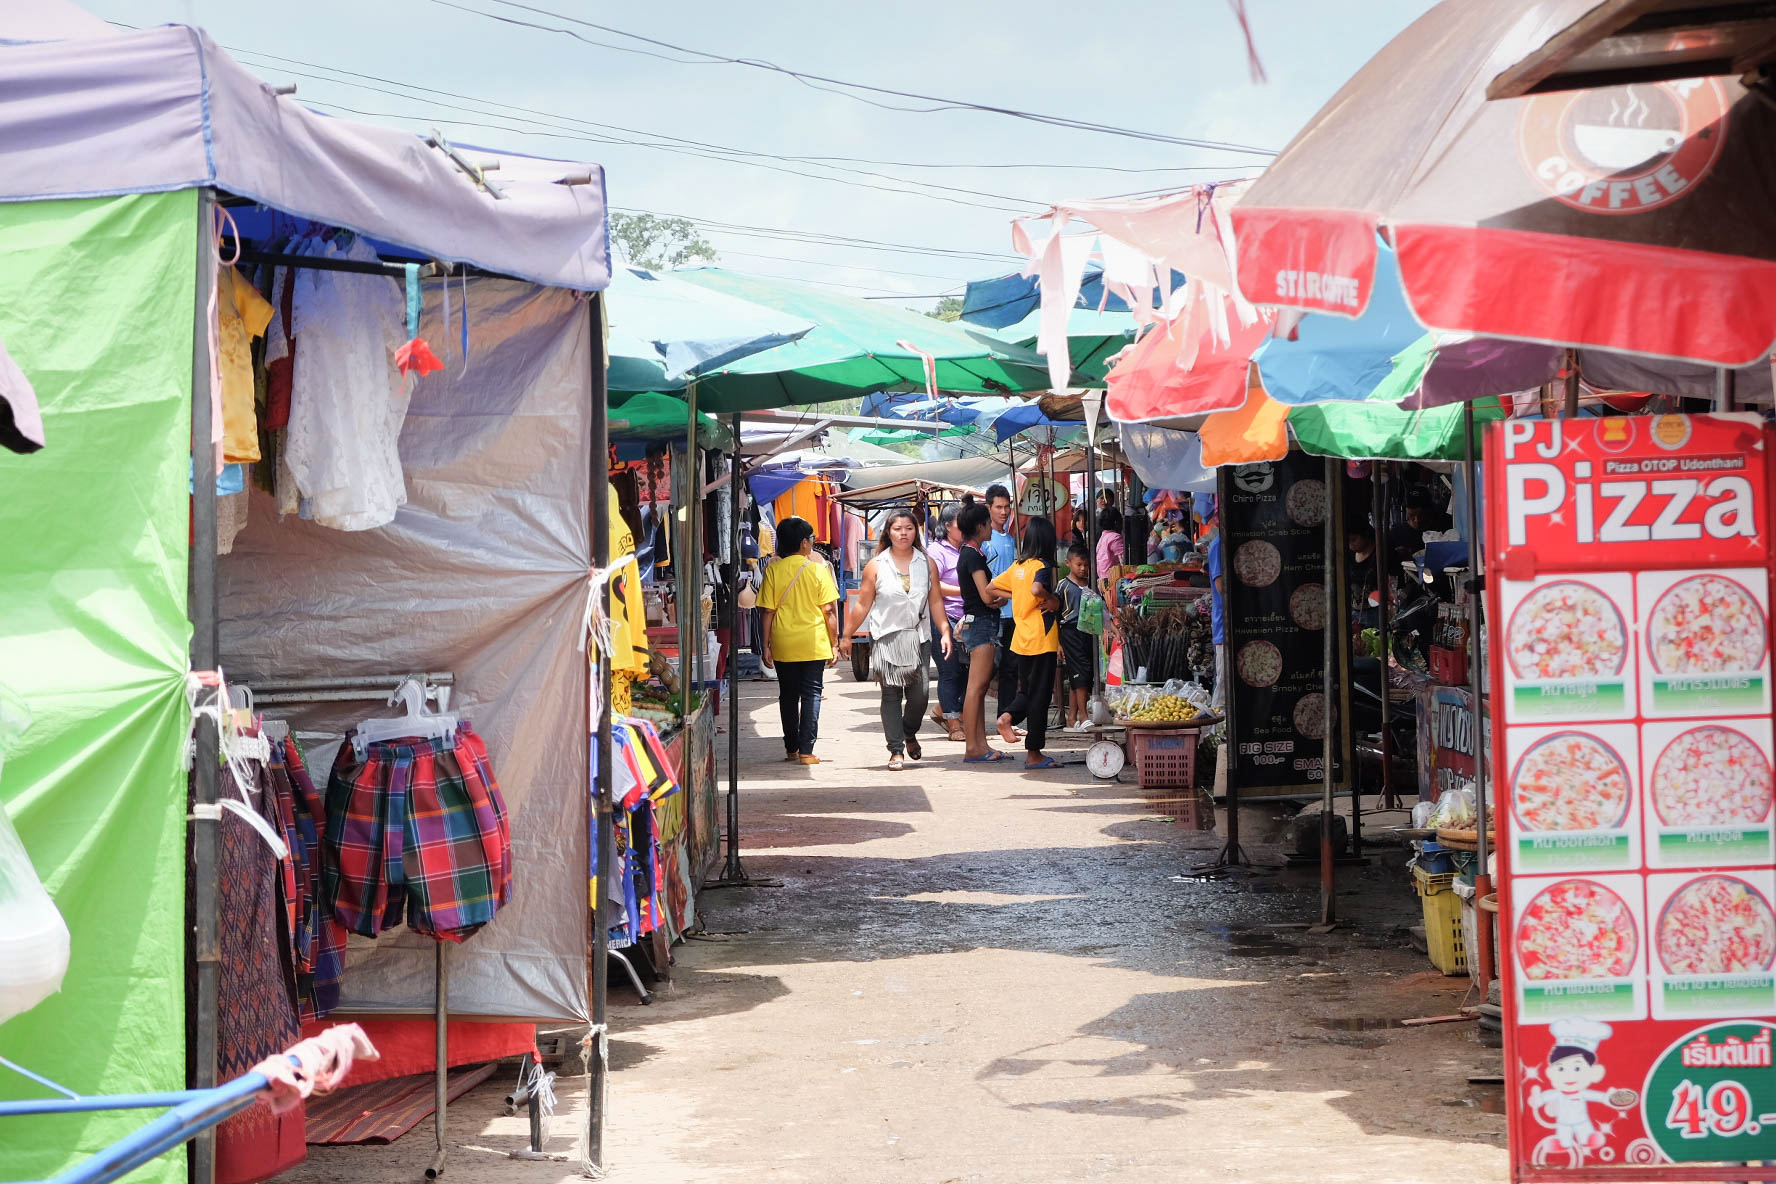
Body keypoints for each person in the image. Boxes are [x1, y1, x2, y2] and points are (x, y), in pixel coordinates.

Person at [840, 511, 954, 771]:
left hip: (919, 636)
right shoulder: (876, 565)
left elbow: (936, 600)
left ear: (916, 532)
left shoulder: (926, 563)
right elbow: (863, 604)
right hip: (886, 637)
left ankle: (908, 732)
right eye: (897, 528)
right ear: (888, 533)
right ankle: (896, 749)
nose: (903, 533)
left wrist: (945, 630)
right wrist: (847, 635)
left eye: (909, 528)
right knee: (890, 694)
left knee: (920, 695)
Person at [757, 516, 841, 765]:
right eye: (812, 538)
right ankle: (806, 750)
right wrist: (834, 643)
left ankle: (791, 748)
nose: (813, 542)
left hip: (784, 641)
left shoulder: (773, 570)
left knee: (788, 694)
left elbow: (768, 612)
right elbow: (829, 611)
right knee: (812, 693)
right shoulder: (818, 570)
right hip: (813, 641)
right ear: (804, 542)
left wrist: (765, 645)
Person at [992, 515, 1062, 769]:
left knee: (1027, 691)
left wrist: (1017, 595)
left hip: (1021, 637)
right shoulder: (1042, 566)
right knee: (1040, 695)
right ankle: (1034, 753)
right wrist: (1051, 599)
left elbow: (991, 587)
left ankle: (1007, 717)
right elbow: (1036, 590)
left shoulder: (1018, 566)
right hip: (1041, 637)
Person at [953, 498, 1011, 763]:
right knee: (976, 688)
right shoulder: (973, 555)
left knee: (978, 687)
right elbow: (986, 595)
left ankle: (980, 744)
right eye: (988, 523)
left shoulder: (970, 553)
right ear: (980, 526)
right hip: (981, 622)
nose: (991, 527)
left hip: (979, 622)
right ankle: (973, 746)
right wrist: (1003, 598)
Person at [926, 503, 968, 742]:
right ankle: (954, 723)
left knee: (969, 671)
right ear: (948, 525)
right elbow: (934, 585)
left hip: (967, 618)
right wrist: (965, 590)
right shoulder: (936, 551)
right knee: (950, 670)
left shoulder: (967, 549)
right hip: (943, 617)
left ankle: (943, 710)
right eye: (961, 522)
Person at [982, 483, 1019, 717]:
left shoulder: (1013, 540)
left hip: (1015, 613)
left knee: (1010, 669)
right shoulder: (985, 541)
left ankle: (1005, 717)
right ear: (989, 508)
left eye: (1007, 507)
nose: (1003, 512)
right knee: (987, 668)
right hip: (993, 612)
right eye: (998, 507)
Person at [1058, 542, 1095, 731]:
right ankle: (1084, 716)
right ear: (1068, 563)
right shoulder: (1063, 586)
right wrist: (1058, 643)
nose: (1082, 568)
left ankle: (1072, 718)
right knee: (1081, 672)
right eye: (1079, 564)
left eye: (1085, 565)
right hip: (1070, 632)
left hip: (1087, 631)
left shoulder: (1090, 585)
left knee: (1080, 675)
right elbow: (1055, 616)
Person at [1202, 507, 1227, 713]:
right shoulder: (1219, 545)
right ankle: (1216, 727)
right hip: (1225, 625)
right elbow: (1221, 586)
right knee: (1224, 683)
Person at [1094, 505, 1125, 597]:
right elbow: (1123, 560)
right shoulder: (1115, 538)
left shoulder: (1104, 536)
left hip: (1102, 580)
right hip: (1111, 581)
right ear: (1116, 522)